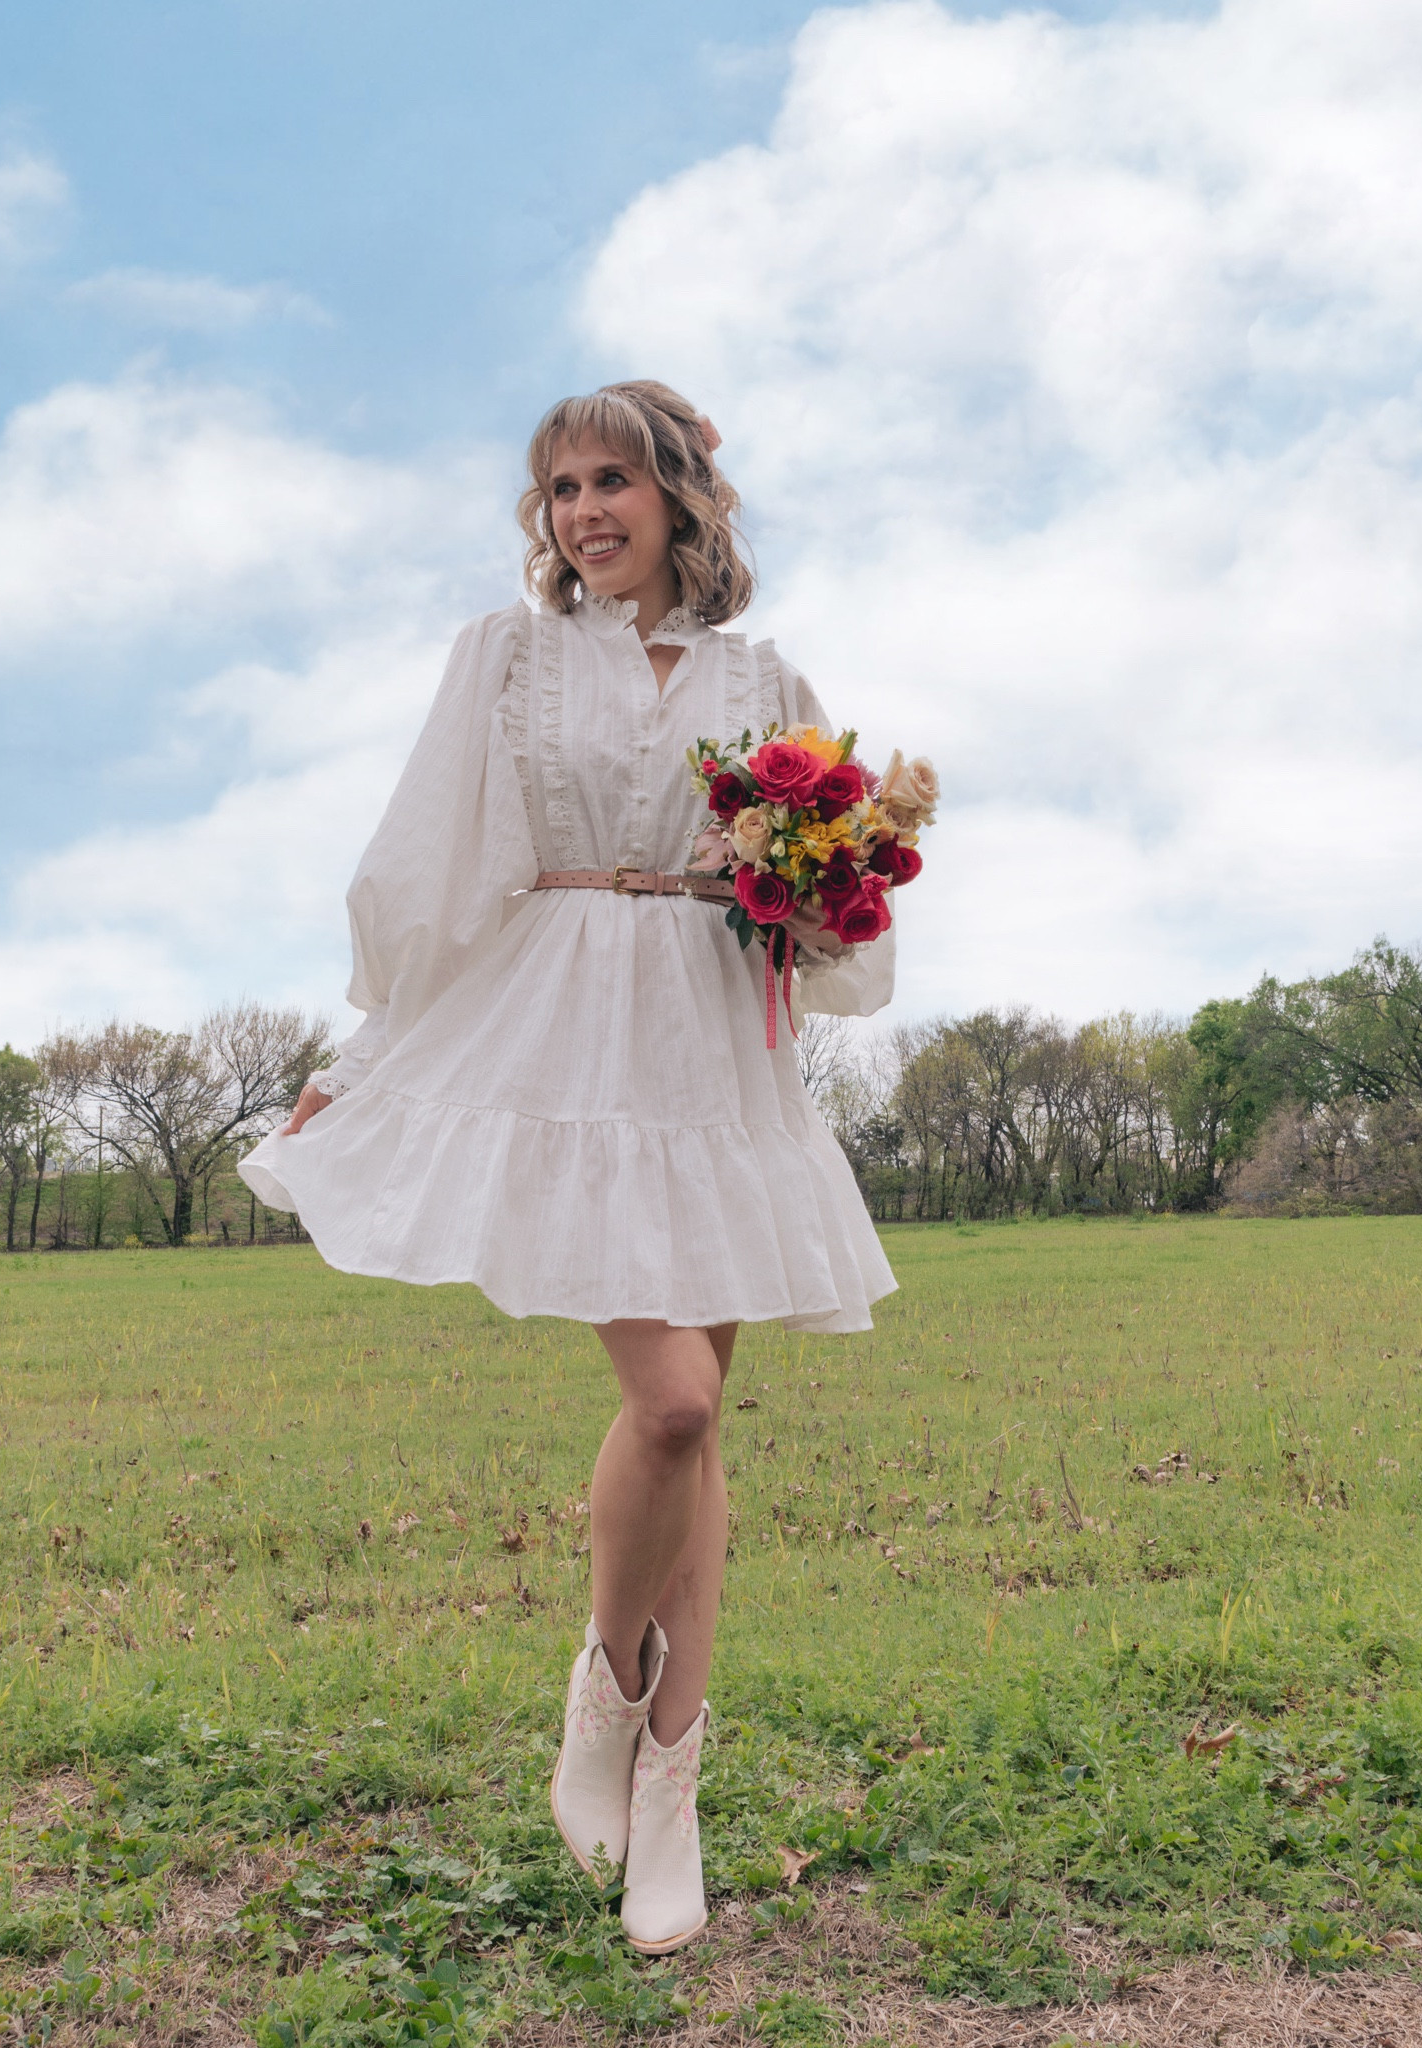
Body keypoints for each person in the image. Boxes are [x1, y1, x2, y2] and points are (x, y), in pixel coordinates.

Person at [237, 380, 897, 1953]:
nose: (583, 513)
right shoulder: (508, 655)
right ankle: (603, 1698)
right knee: (670, 1398)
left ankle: (673, 1784)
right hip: (549, 1031)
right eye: (559, 490)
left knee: (699, 1427)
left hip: (709, 1044)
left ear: (679, 497)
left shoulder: (766, 675)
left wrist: (821, 883)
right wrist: (361, 1063)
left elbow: (807, 909)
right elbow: (431, 866)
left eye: (611, 481)